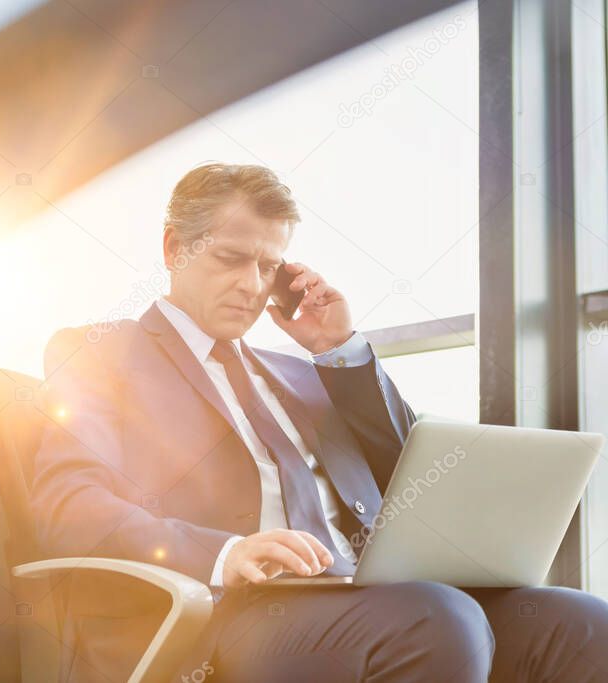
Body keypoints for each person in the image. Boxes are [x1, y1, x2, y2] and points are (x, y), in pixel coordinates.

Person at [29, 162, 608, 682]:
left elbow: (410, 469)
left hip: (363, 593)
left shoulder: (305, 373)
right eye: (230, 258)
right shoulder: (102, 353)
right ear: (174, 247)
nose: (252, 286)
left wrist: (339, 350)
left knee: (583, 624)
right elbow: (68, 503)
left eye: (269, 266)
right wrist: (225, 551)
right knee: (437, 618)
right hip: (227, 609)